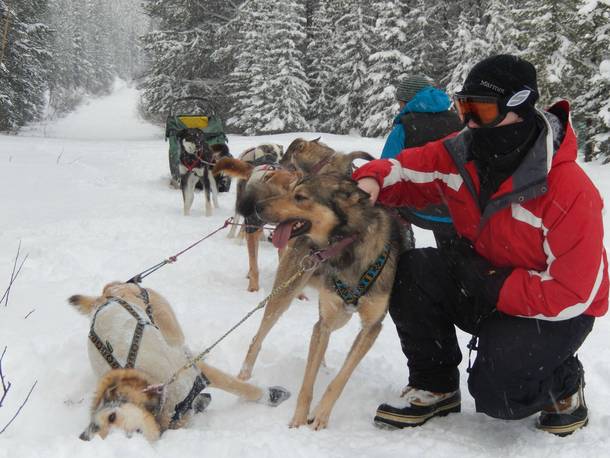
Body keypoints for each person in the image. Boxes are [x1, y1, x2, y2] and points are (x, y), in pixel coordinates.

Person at [354, 54, 608, 436]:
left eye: (483, 110)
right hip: (487, 282)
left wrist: (491, 282)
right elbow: (403, 168)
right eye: (463, 107)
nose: (470, 122)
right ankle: (435, 384)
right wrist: (370, 180)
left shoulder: (568, 189)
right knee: (416, 270)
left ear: (519, 107)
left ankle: (564, 382)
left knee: (500, 399)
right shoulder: (463, 152)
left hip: (554, 312)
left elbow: (572, 293)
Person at [382, 75, 463, 250]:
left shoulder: (404, 128)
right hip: (461, 205)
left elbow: (386, 168)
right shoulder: (458, 121)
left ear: (407, 101)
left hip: (421, 209)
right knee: (456, 250)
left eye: (400, 102)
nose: (399, 107)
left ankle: (404, 248)